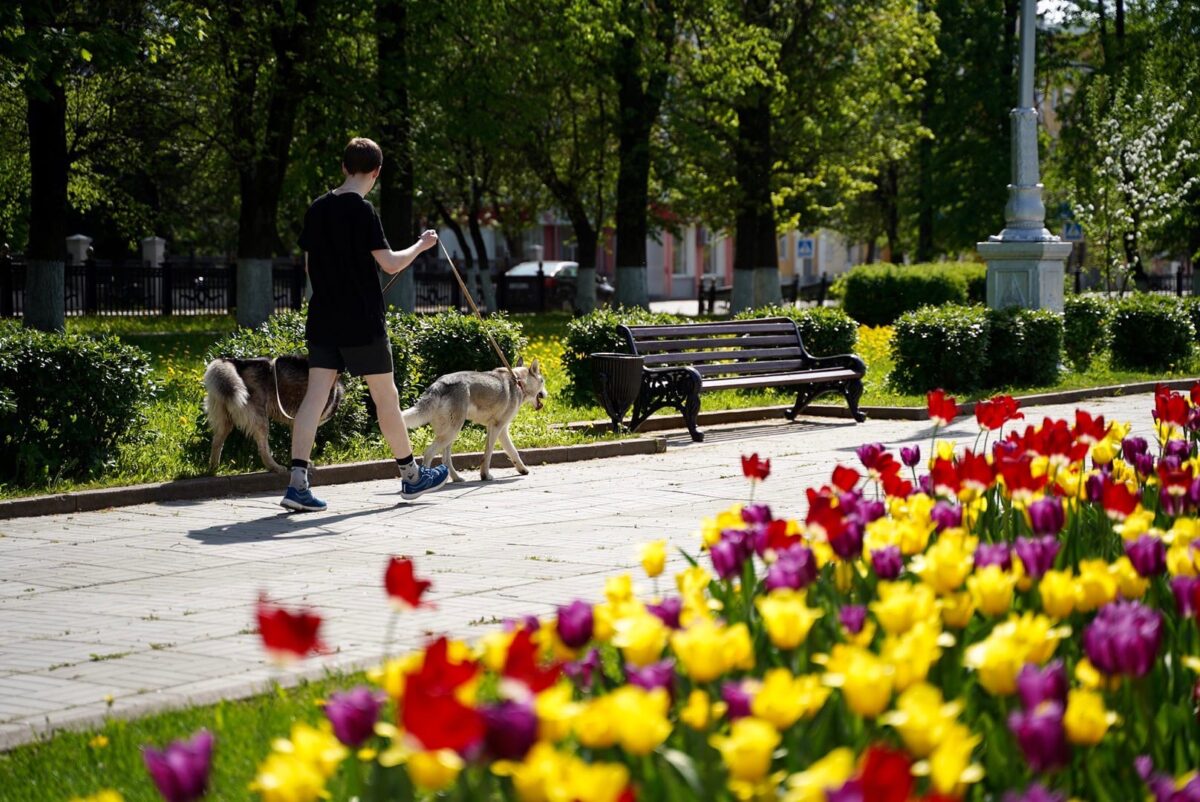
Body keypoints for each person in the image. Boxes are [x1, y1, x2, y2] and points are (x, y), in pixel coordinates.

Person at [282, 137, 449, 512]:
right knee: (385, 398)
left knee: (315, 397)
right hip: (362, 321)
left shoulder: (317, 208)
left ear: (344, 167)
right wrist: (421, 246)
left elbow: (311, 268)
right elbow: (389, 263)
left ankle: (297, 483)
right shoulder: (363, 211)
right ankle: (411, 477)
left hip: (324, 316)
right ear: (376, 172)